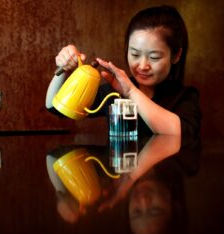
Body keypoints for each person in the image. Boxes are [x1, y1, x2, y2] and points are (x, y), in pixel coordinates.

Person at [46, 5, 201, 137]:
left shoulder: (186, 97)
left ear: (176, 55)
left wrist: (131, 92)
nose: (142, 65)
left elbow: (181, 133)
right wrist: (64, 70)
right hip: (120, 172)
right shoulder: (113, 92)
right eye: (134, 54)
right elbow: (55, 107)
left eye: (154, 57)